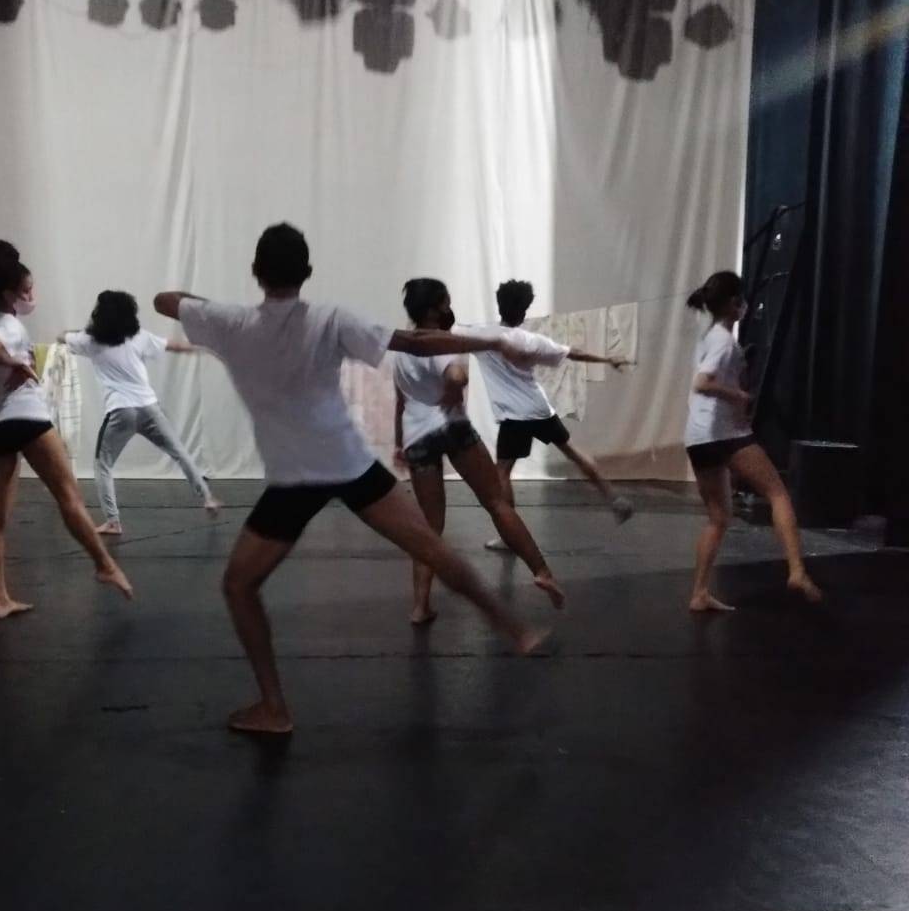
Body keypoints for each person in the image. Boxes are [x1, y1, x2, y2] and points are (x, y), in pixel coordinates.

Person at [154, 223, 558, 735]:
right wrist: (491, 339)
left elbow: (165, 300)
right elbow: (414, 341)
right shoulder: (330, 318)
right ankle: (514, 628)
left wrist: (207, 308)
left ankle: (274, 707)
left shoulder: (229, 323)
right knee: (431, 547)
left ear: (256, 271)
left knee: (239, 585)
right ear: (307, 272)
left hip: (294, 480)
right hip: (349, 465)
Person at [0, 240, 133, 619]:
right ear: (9, 294)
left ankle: (0, 599)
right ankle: (104, 565)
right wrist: (16, 364)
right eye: (27, 291)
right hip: (28, 419)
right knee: (69, 497)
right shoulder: (8, 326)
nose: (32, 297)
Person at [393, 278, 563, 626]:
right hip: (451, 429)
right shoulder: (442, 341)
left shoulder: (402, 349)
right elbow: (456, 374)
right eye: (446, 301)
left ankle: (420, 606)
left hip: (417, 438)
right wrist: (454, 385)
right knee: (496, 502)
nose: (449, 307)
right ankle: (542, 571)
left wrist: (399, 443)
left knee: (429, 527)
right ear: (434, 308)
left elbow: (400, 401)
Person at [683, 270, 822, 611]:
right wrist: (739, 396)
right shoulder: (723, 341)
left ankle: (699, 594)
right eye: (741, 300)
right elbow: (702, 383)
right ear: (734, 303)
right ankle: (797, 572)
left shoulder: (708, 338)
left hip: (699, 437)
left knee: (718, 518)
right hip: (723, 434)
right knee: (778, 493)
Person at [465, 279, 634, 550]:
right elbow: (574, 353)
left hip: (515, 417)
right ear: (524, 311)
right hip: (540, 408)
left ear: (500, 305)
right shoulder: (532, 341)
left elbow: (445, 336)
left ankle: (509, 536)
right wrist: (607, 359)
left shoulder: (481, 336)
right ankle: (614, 498)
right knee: (572, 451)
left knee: (502, 472)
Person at [60, 290, 220, 535]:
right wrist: (204, 348)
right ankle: (207, 497)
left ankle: (113, 521)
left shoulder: (89, 341)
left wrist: (79, 332)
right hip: (149, 407)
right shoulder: (140, 337)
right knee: (179, 452)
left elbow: (62, 337)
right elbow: (175, 346)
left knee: (103, 465)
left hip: (121, 411)